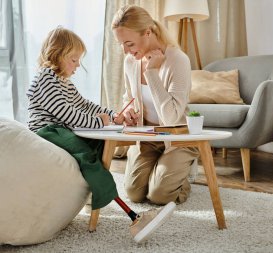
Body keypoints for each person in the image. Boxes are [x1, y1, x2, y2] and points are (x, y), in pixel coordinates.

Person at [26, 27, 175, 243]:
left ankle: (94, 192)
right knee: (87, 155)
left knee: (101, 144)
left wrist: (114, 116)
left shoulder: (63, 82)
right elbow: (70, 116)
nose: (78, 65)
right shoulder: (46, 80)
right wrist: (99, 122)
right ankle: (132, 216)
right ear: (57, 54)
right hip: (47, 131)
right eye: (74, 59)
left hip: (61, 130)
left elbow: (84, 105)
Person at [112, 5, 199, 205]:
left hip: (178, 138)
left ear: (148, 33)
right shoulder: (130, 61)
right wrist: (129, 114)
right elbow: (129, 98)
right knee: (135, 193)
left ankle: (182, 175)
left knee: (159, 195)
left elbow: (170, 117)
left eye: (129, 43)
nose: (126, 51)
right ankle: (164, 171)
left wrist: (151, 73)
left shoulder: (178, 61)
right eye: (121, 44)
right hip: (148, 137)